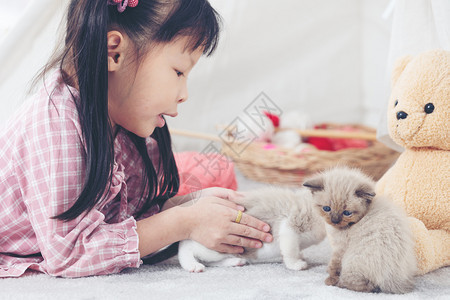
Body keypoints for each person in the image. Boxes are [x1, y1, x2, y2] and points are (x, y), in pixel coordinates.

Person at [0, 0, 272, 278]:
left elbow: (122, 219)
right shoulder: (56, 122)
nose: (184, 94)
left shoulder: (120, 127)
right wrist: (183, 221)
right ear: (114, 52)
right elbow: (71, 253)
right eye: (179, 72)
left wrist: (184, 206)